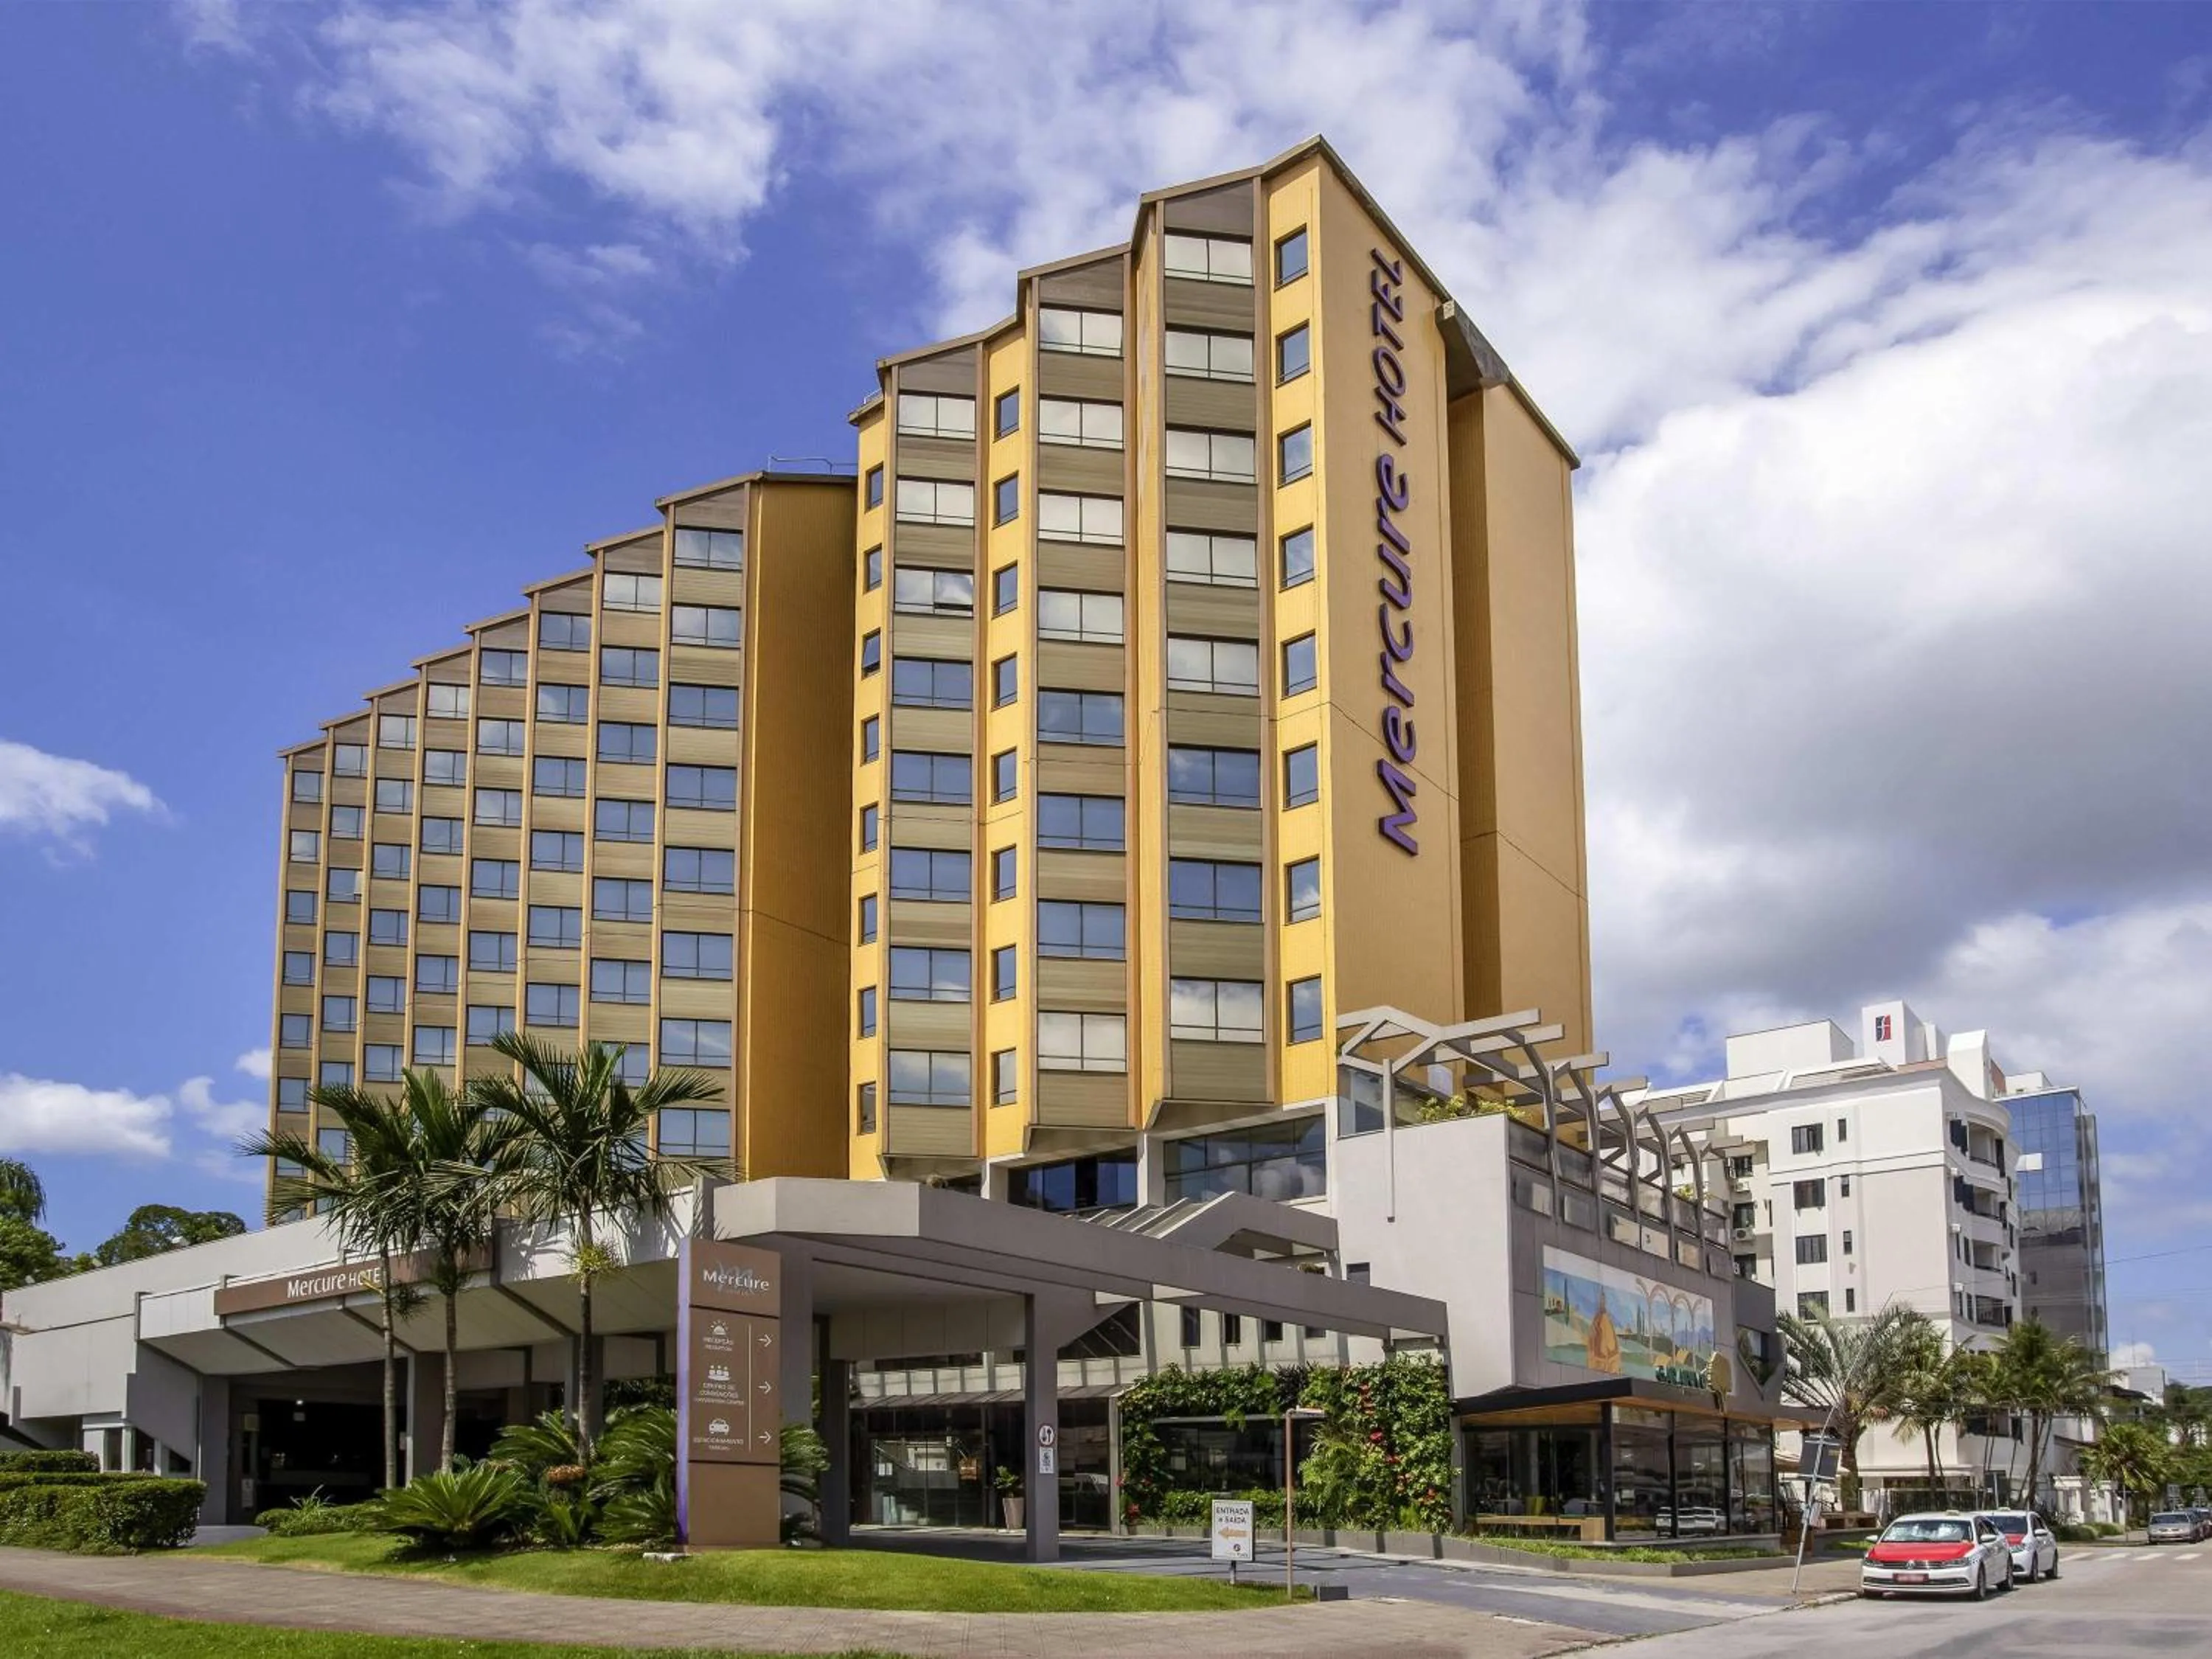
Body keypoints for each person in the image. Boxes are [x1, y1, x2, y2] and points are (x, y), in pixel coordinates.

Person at [1585, 1288, 1623, 1373]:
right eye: (1601, 1300)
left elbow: (1613, 1340)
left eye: (1604, 1299)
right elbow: (1592, 1338)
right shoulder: (1597, 1320)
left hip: (1611, 1358)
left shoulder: (1608, 1319)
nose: (1603, 1301)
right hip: (1600, 1360)